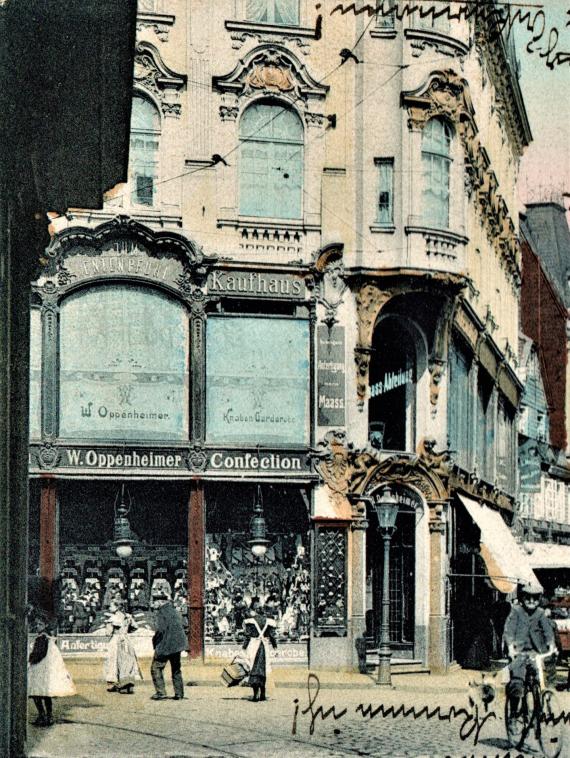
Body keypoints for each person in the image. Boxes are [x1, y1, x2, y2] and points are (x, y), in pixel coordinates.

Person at [503, 583, 557, 705]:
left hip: (536, 652)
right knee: (517, 680)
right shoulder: (516, 611)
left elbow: (548, 631)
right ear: (522, 598)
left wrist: (551, 645)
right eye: (528, 598)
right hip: (519, 651)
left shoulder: (540, 613)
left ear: (539, 599)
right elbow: (509, 630)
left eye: (535, 598)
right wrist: (511, 647)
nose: (531, 601)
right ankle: (513, 714)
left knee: (541, 676)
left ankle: (539, 709)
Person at [28, 613, 76, 726]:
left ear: (45, 625)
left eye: (40, 624)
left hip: (40, 668)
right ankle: (48, 716)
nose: (38, 626)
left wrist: (31, 659)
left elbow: (40, 654)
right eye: (37, 624)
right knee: (45, 693)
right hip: (45, 668)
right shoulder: (48, 637)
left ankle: (43, 715)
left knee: (37, 693)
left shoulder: (42, 638)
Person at [150, 590, 187, 700]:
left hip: (165, 645)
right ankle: (179, 693)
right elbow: (184, 624)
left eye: (155, 601)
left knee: (155, 668)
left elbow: (160, 630)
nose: (153, 604)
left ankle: (161, 692)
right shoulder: (175, 611)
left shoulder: (161, 613)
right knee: (176, 669)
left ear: (160, 602)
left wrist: (155, 642)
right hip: (177, 645)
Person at [242, 598, 277, 702]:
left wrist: (244, 648)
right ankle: (263, 693)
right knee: (262, 669)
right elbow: (272, 636)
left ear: (255, 610)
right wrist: (275, 647)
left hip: (253, 645)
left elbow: (247, 636)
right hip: (264, 646)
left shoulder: (251, 621)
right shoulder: (269, 621)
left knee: (253, 668)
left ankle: (255, 694)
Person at [104, 603, 142, 694]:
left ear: (117, 607)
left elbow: (108, 633)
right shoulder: (128, 616)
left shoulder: (113, 618)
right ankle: (128, 684)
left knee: (113, 662)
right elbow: (135, 627)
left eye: (111, 606)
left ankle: (117, 684)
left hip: (116, 640)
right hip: (126, 639)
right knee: (128, 661)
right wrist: (126, 631)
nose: (109, 607)